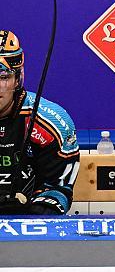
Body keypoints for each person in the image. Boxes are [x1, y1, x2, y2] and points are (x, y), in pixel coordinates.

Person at [0, 30, 80, 215]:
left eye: (3, 77)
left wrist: (29, 209)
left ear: (17, 79)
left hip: (26, 222)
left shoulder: (51, 123)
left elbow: (58, 190)